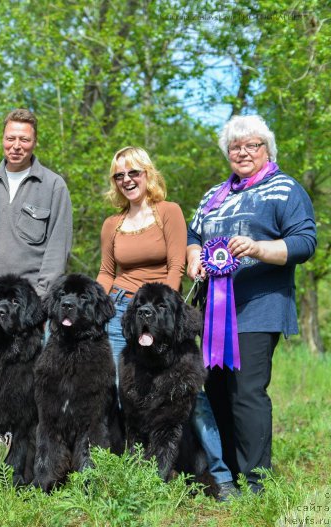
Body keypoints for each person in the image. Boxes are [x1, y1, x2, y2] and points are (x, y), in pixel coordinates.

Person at [96, 146, 238, 500]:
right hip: (122, 313)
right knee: (122, 397)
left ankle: (220, 478)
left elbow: (176, 266)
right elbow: (106, 272)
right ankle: (129, 474)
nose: (126, 180)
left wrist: (164, 316)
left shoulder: (168, 212)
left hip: (163, 311)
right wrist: (96, 308)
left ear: (147, 174)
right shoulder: (112, 224)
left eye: (133, 173)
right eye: (119, 176)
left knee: (190, 398)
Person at [186, 115, 316, 494]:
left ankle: (258, 481)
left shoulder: (285, 189)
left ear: (267, 149)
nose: (243, 152)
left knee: (246, 393)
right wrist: (194, 256)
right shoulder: (214, 194)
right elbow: (195, 234)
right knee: (218, 392)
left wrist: (259, 249)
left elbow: (304, 242)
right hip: (213, 314)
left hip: (259, 307)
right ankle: (225, 475)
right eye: (235, 147)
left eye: (252, 145)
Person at [0, 108, 72, 305]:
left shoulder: (54, 186)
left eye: (24, 139)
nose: (16, 146)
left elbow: (58, 250)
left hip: (32, 303)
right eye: (10, 138)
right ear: (3, 139)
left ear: (34, 142)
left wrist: (40, 297)